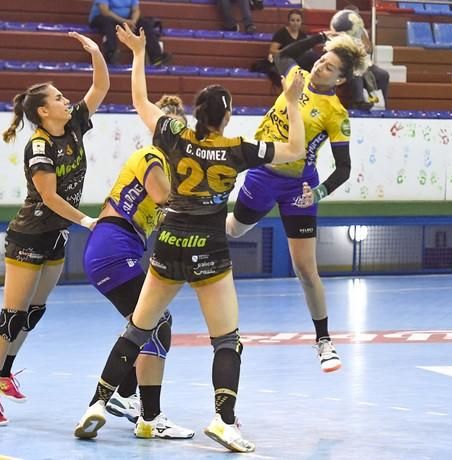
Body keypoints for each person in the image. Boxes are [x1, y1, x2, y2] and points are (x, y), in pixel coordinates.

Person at [73, 23, 307, 453]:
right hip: (209, 251)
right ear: (227, 115)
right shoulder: (238, 148)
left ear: (197, 112)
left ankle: (98, 405)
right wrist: (291, 103)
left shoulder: (172, 136)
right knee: (227, 339)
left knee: (136, 331)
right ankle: (224, 420)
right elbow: (294, 150)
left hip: (167, 246)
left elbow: (140, 100)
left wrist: (140, 54)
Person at [0, 31, 109, 427]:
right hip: (30, 235)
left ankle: (7, 371)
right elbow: (47, 197)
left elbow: (100, 86)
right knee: (11, 316)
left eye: (66, 97)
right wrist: (85, 220)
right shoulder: (40, 145)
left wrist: (96, 51)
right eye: (59, 98)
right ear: (44, 112)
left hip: (55, 236)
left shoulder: (76, 125)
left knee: (34, 313)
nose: (67, 100)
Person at [226, 32, 368, 373]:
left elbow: (344, 168)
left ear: (341, 79)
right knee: (233, 229)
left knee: (305, 269)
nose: (320, 66)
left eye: (329, 67)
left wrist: (318, 193)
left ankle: (324, 341)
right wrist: (320, 37)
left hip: (299, 188)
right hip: (262, 173)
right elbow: (283, 55)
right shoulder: (296, 78)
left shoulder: (336, 114)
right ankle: (189, 215)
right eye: (321, 59)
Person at [81, 94, 193, 439]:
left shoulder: (166, 166)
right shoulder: (151, 157)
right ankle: (146, 414)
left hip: (117, 247)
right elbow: (165, 199)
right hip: (113, 245)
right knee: (156, 322)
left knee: (144, 324)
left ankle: (121, 398)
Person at [89, 0, 171, 65]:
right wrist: (124, 22)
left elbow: (136, 10)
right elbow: (105, 11)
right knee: (107, 22)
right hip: (103, 18)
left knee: (144, 23)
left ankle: (157, 58)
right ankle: (111, 54)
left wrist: (133, 22)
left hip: (125, 20)